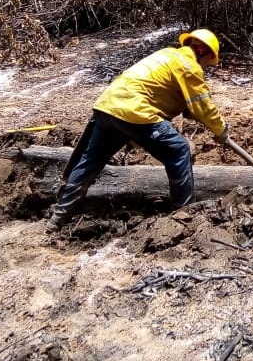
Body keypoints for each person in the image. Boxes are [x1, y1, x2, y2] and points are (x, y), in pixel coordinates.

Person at [47, 28, 229, 230]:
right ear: (203, 51)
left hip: (107, 106)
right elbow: (204, 106)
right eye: (208, 62)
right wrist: (222, 131)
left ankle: (58, 217)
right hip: (134, 111)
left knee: (91, 160)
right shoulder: (189, 66)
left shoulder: (166, 54)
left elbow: (161, 91)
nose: (205, 67)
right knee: (179, 150)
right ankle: (184, 213)